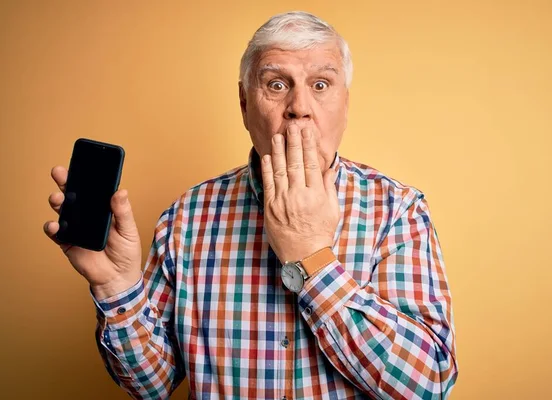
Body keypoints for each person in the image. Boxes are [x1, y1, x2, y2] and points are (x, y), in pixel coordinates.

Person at [44, 11, 458, 400]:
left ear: (345, 104)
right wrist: (117, 289)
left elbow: (429, 384)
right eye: (277, 84)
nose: (299, 108)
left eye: (320, 85)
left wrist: (312, 258)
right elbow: (151, 385)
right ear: (245, 104)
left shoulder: (398, 210)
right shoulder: (187, 218)